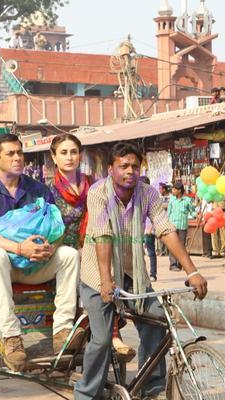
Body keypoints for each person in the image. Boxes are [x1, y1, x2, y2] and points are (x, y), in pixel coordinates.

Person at [74, 143, 208, 400]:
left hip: (134, 273)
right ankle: (86, 394)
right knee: (102, 340)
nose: (130, 171)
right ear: (111, 169)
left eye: (135, 166)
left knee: (157, 323)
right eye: (123, 166)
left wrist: (192, 271)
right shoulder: (98, 192)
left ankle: (150, 389)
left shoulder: (149, 194)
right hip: (96, 274)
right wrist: (105, 281)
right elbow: (102, 235)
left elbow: (166, 230)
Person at [0, 133, 82, 371]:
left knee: (69, 254)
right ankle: (12, 339)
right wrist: (20, 248)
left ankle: (62, 331)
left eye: (20, 153)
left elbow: (54, 227)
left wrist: (48, 247)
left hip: (35, 264)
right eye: (10, 154)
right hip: (2, 268)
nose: (18, 158)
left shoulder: (37, 189)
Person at [49, 133, 136, 363]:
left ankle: (112, 330)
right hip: (62, 251)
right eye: (64, 153)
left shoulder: (94, 185)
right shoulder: (48, 191)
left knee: (110, 265)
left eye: (74, 152)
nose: (69, 157)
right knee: (79, 261)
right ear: (54, 157)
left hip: (94, 244)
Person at [167, 181, 195, 269]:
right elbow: (168, 212)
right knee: (173, 245)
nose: (173, 191)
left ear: (179, 190)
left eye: (175, 189)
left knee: (181, 246)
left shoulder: (187, 200)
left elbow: (192, 211)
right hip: (172, 226)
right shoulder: (172, 200)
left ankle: (181, 263)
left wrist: (196, 215)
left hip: (182, 226)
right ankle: (173, 264)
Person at [140, 177, 158, 282]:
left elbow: (154, 216)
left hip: (148, 231)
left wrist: (150, 229)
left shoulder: (152, 197)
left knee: (151, 253)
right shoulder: (136, 197)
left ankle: (153, 274)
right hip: (139, 230)